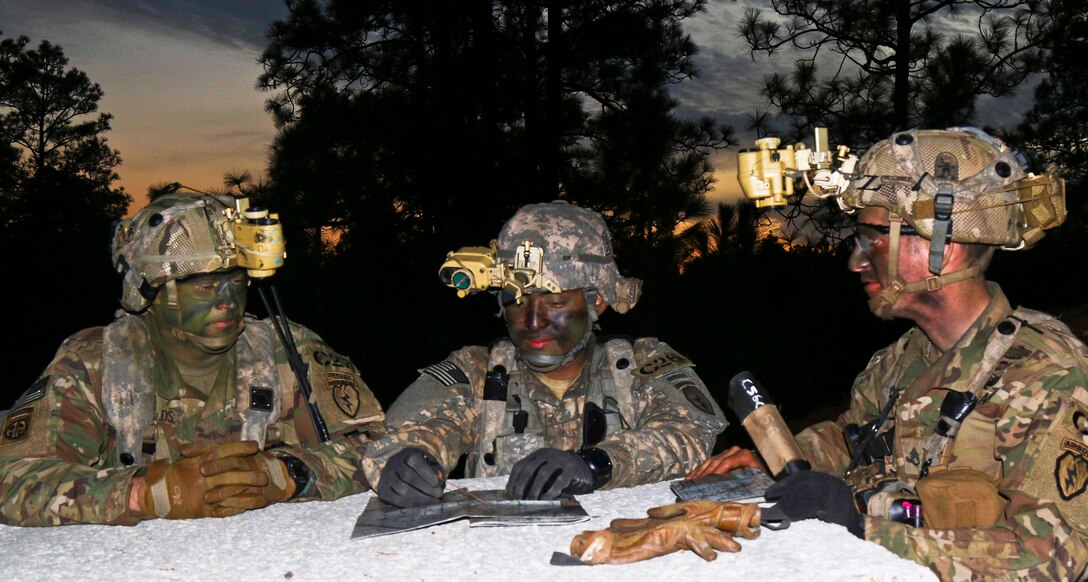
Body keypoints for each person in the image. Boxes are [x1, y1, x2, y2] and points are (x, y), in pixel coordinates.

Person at [688, 127, 1088, 579]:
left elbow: (1055, 556)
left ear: (944, 248)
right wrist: (773, 458)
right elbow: (850, 438)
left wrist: (862, 528)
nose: (856, 262)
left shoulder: (1047, 375)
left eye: (872, 238)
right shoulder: (902, 358)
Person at [0, 190, 384, 526]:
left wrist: (285, 474)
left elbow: (380, 448)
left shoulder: (289, 349)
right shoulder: (95, 364)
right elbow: (12, 478)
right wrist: (145, 493)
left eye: (236, 282)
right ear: (150, 293)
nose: (227, 303)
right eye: (204, 287)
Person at [362, 201, 726, 506]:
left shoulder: (640, 364)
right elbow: (404, 436)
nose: (533, 321)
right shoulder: (476, 372)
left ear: (596, 300)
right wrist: (405, 463)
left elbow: (690, 434)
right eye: (516, 302)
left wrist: (596, 463)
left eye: (554, 301)